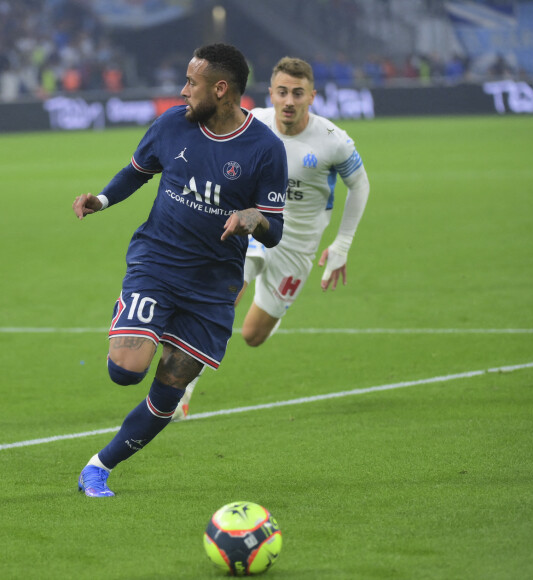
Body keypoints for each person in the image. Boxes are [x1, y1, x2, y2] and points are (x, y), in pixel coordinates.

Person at [73, 43, 287, 497]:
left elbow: (276, 231)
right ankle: (142, 318)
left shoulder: (265, 150)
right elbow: (137, 171)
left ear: (222, 89)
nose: (183, 90)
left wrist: (256, 218)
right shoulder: (172, 124)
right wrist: (103, 200)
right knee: (126, 370)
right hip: (158, 263)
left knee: (170, 389)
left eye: (193, 83)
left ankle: (98, 467)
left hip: (213, 286)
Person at [173, 56, 370, 421]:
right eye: (282, 92)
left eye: (298, 93)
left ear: (312, 96)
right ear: (271, 94)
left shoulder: (332, 141)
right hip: (255, 224)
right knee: (229, 293)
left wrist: (342, 244)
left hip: (297, 244)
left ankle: (271, 312)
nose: (289, 101)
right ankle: (182, 391)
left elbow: (360, 185)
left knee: (252, 335)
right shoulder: (254, 123)